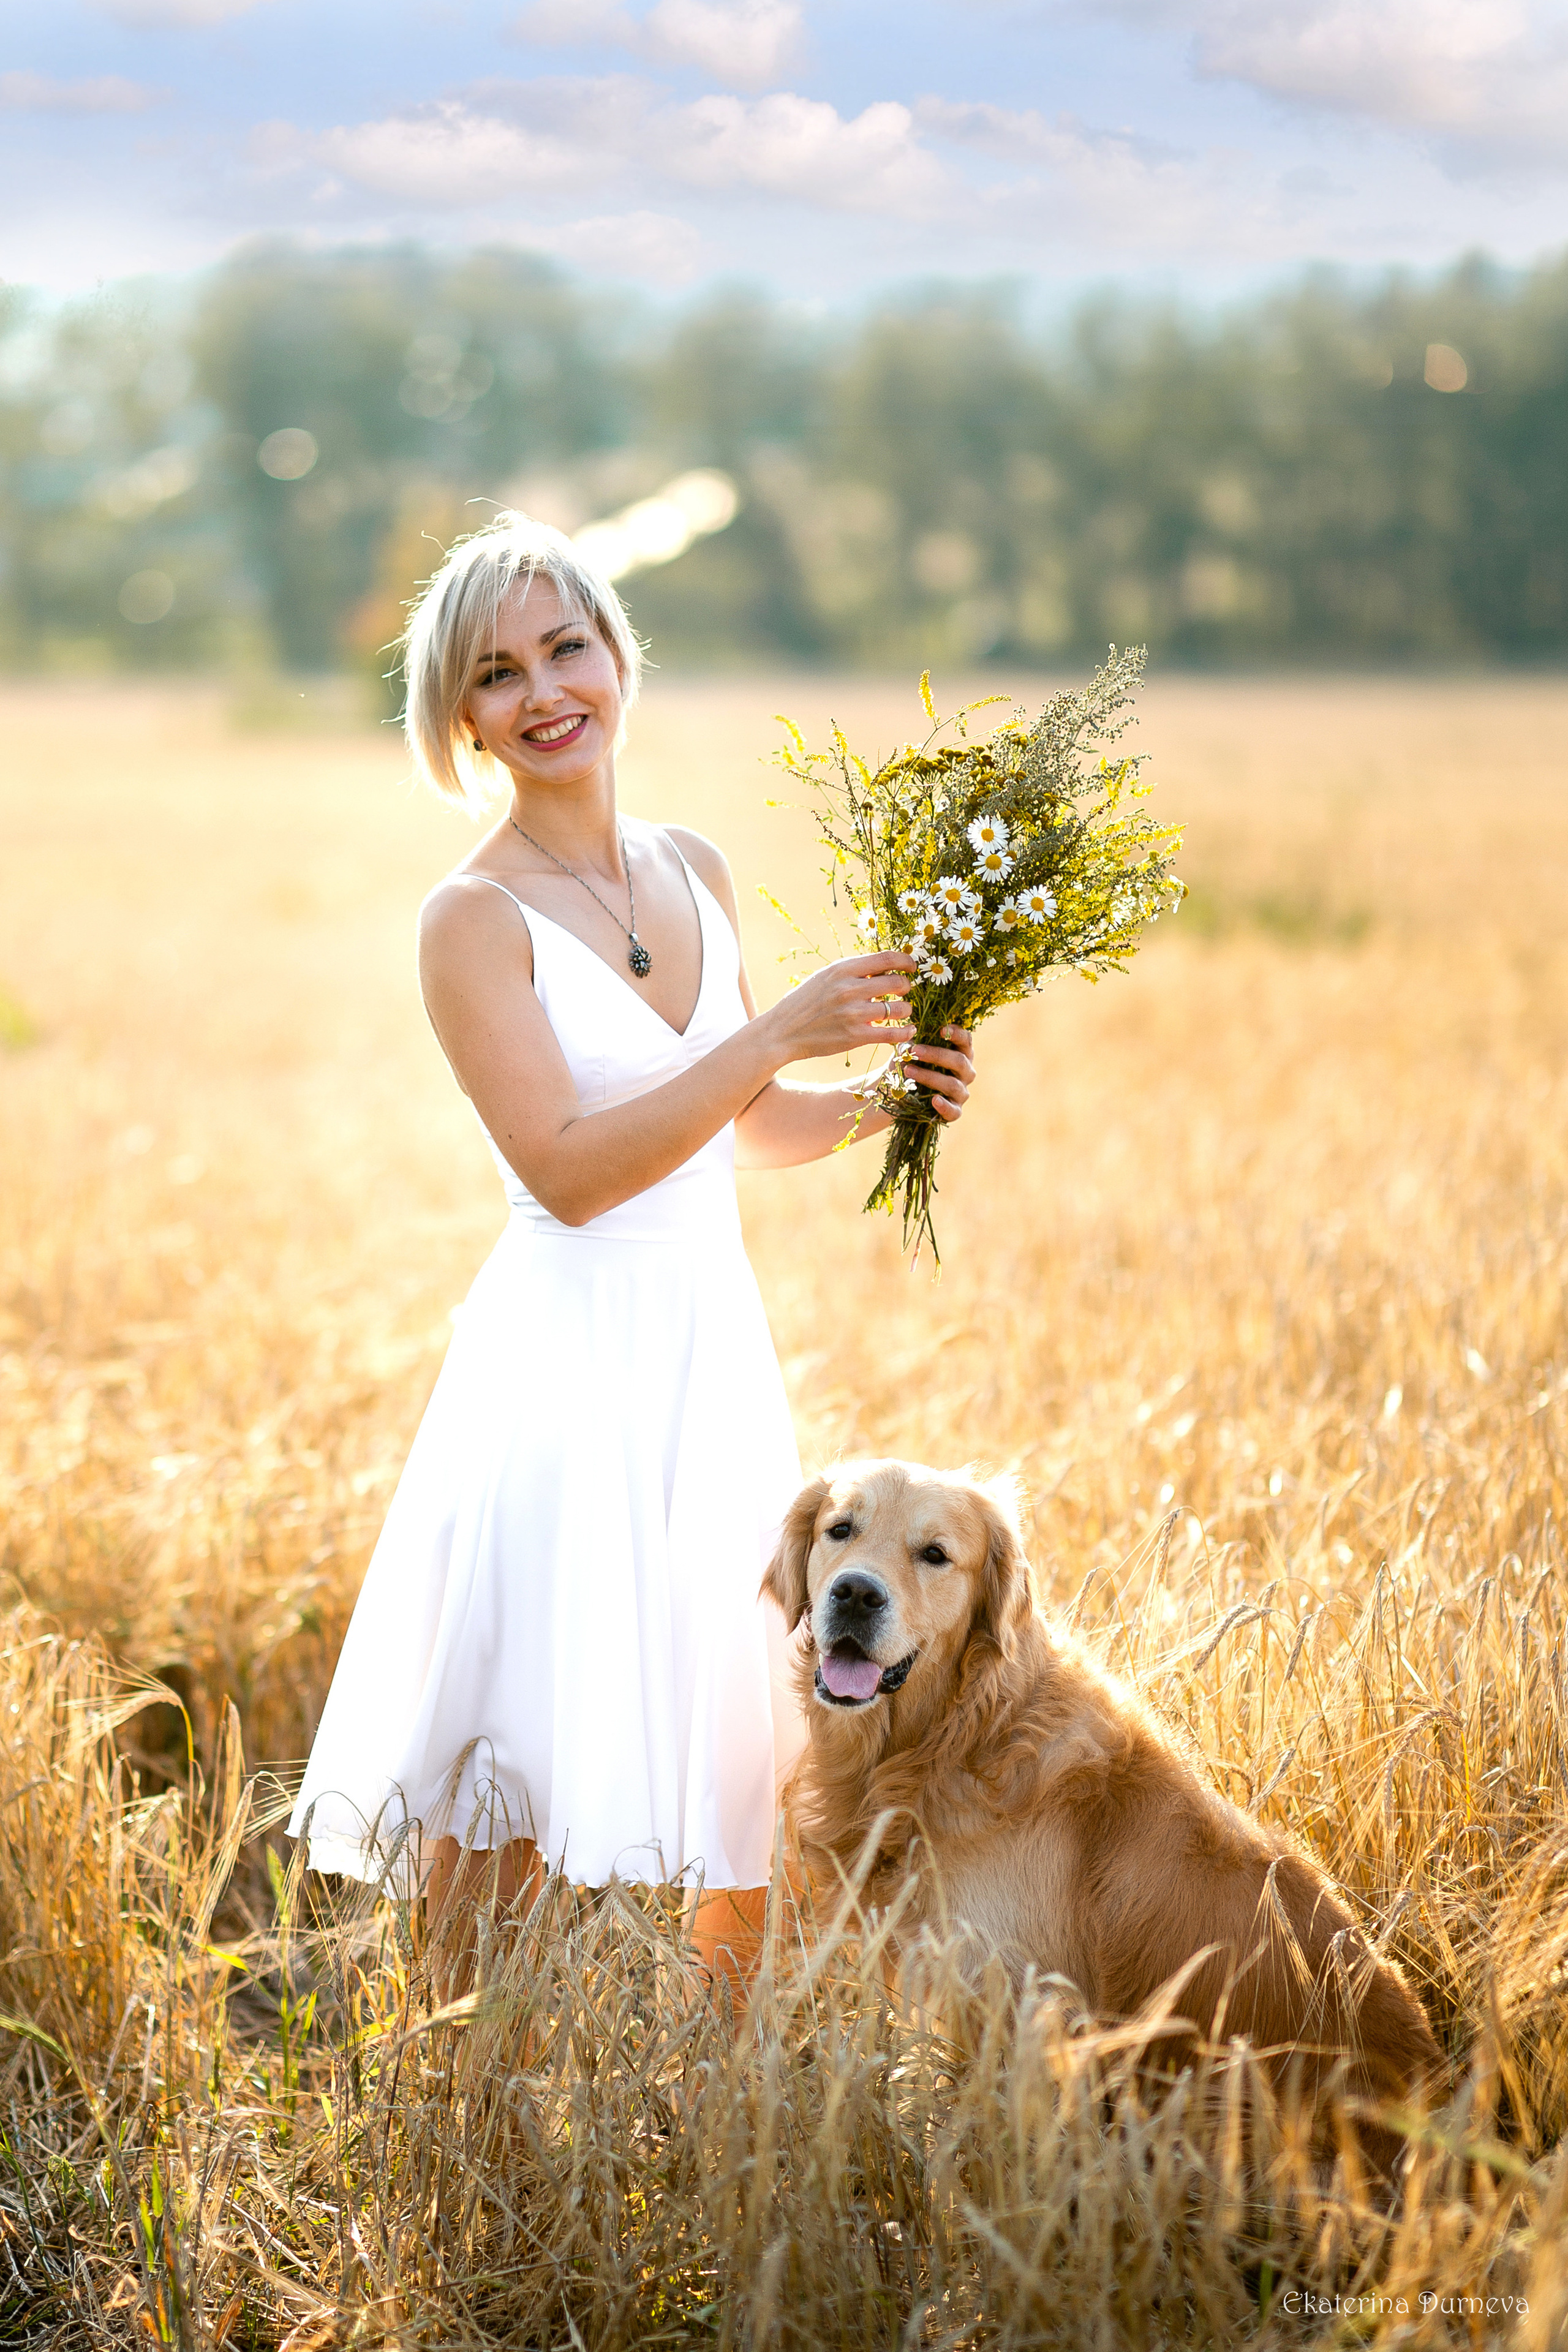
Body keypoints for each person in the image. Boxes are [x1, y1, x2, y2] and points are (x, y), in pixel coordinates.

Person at [287, 512, 977, 1996]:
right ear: (457, 718)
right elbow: (573, 1172)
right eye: (495, 672)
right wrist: (778, 1028)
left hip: (706, 1351)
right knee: (512, 1756)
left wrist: (879, 1102)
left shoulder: (693, 868)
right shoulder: (468, 920)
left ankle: (740, 2101)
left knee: (746, 1734)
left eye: (566, 648)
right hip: (560, 1360)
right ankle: (463, 2101)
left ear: (617, 656)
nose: (543, 691)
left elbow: (739, 1130)